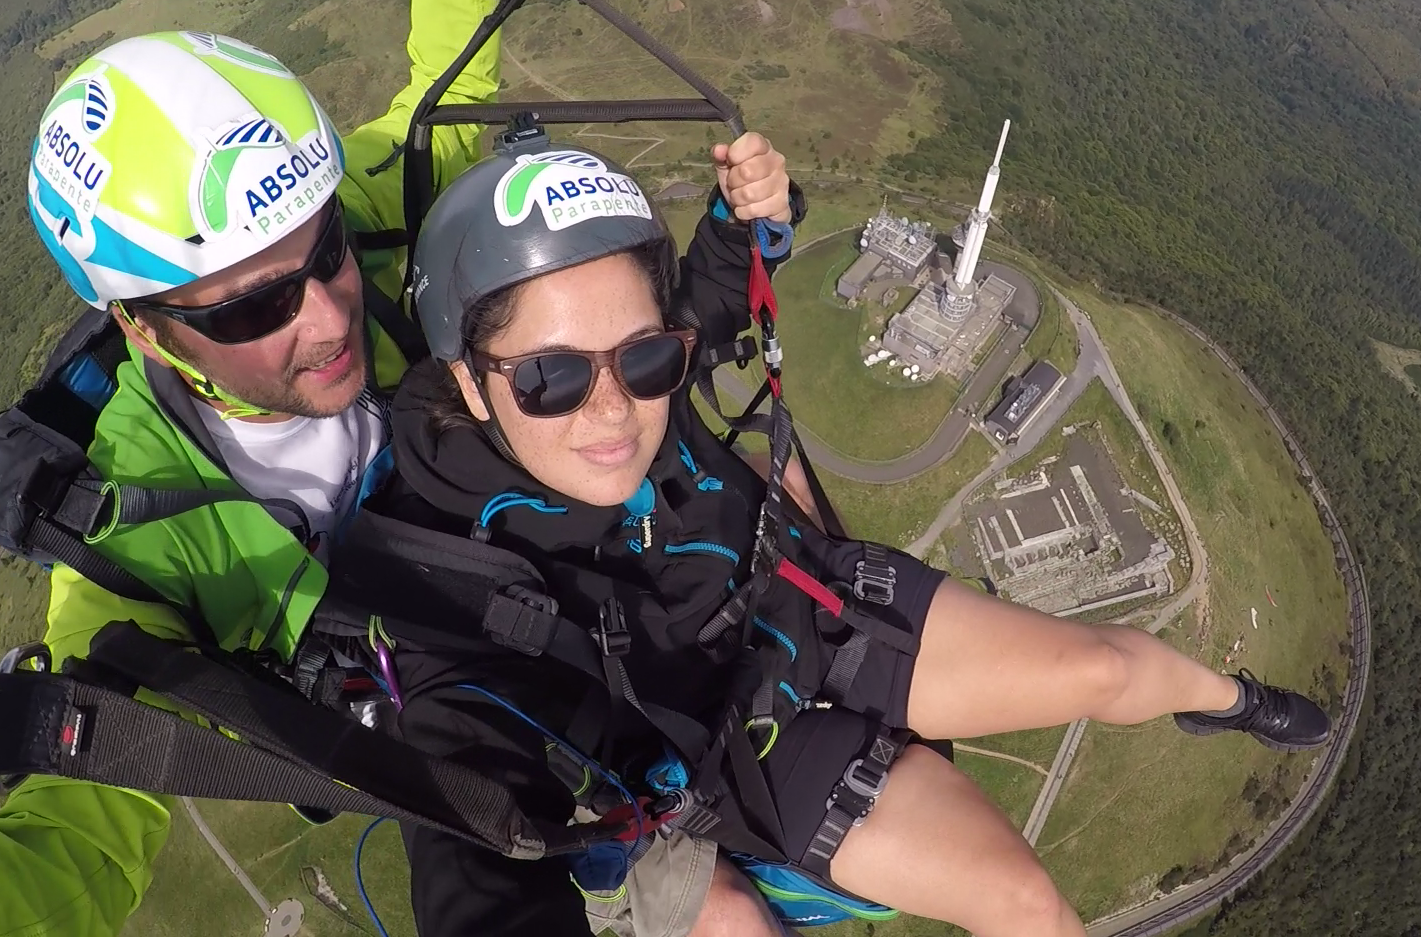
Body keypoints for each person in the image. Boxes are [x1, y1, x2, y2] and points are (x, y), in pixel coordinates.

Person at [0, 0, 778, 935]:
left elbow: (433, 109)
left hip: (593, 583)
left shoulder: (340, 217)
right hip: (481, 739)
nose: (327, 316)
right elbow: (74, 842)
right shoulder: (132, 530)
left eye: (325, 254)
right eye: (250, 308)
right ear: (143, 328)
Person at [358, 137, 1336, 937]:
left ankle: (1230, 699)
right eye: (553, 378)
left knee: (1109, 670)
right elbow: (467, 824)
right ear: (468, 379)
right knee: (1029, 909)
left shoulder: (650, 362)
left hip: (822, 603)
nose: (613, 409)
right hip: (751, 746)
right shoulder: (443, 561)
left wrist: (749, 208)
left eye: (646, 359)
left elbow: (714, 283)